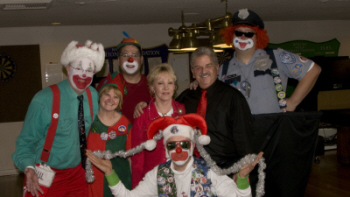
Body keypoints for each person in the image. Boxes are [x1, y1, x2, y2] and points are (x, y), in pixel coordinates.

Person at [87, 114, 263, 197]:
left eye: (184, 144)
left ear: (192, 145)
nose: (178, 150)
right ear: (166, 150)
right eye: (172, 145)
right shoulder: (158, 174)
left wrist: (241, 177)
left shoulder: (210, 172)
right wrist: (110, 173)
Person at [12, 40, 105, 196]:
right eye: (78, 68)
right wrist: (29, 169)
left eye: (89, 70)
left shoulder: (94, 96)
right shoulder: (44, 100)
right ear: (67, 68)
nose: (83, 74)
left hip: (79, 173)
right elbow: (25, 141)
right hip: (45, 173)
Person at [217, 8, 322, 114]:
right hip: (239, 129)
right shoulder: (223, 69)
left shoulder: (275, 56)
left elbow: (312, 70)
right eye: (238, 33)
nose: (243, 37)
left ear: (258, 37)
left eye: (249, 34)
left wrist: (293, 102)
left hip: (273, 128)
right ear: (231, 35)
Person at [176, 46, 254, 170]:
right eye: (198, 67)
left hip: (226, 170)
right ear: (193, 72)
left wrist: (242, 174)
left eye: (208, 66)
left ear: (217, 68)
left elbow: (244, 141)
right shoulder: (184, 99)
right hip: (190, 170)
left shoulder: (234, 98)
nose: (203, 71)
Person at [131, 63, 185, 188]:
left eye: (170, 83)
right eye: (160, 83)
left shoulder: (182, 110)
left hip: (180, 178)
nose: (166, 87)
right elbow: (137, 158)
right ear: (152, 88)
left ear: (175, 87)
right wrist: (138, 189)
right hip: (153, 180)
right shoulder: (142, 116)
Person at [87, 77, 132, 196]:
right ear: (100, 96)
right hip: (93, 182)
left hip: (120, 181)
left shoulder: (126, 125)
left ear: (120, 101)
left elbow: (131, 159)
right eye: (107, 95)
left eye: (116, 97)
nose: (110, 100)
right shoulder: (88, 122)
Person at [97, 37, 151, 123]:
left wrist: (149, 106)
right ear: (118, 60)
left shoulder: (153, 84)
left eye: (134, 55)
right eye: (125, 55)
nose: (130, 59)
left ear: (141, 60)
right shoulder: (106, 84)